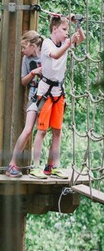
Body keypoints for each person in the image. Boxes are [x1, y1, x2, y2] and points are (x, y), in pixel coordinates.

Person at [31, 15, 85, 179]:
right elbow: (55, 55)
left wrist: (77, 24)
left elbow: (81, 38)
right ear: (54, 29)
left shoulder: (65, 42)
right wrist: (68, 43)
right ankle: (36, 166)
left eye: (67, 31)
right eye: (63, 29)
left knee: (57, 131)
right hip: (46, 91)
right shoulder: (47, 43)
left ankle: (52, 166)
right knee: (42, 131)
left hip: (58, 92)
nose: (66, 33)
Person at [6, 31, 43, 178]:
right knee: (28, 130)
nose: (22, 51)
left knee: (43, 130)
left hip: (47, 95)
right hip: (34, 96)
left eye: (24, 47)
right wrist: (33, 72)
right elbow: (23, 81)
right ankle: (12, 163)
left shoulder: (46, 54)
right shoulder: (26, 59)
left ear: (33, 46)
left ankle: (40, 166)